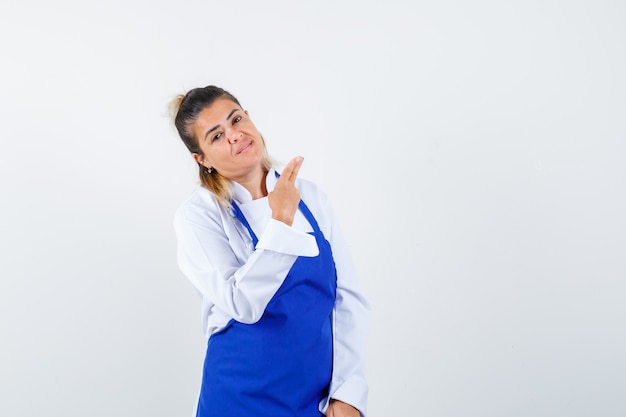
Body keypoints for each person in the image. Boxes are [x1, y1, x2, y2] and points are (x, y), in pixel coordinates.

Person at [169, 85, 370, 417]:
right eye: (216, 136)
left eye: (236, 119)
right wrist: (281, 220)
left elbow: (348, 298)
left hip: (314, 400)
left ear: (249, 117)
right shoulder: (199, 216)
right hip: (237, 401)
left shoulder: (311, 196)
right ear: (201, 159)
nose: (234, 135)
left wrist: (348, 393)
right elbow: (243, 304)